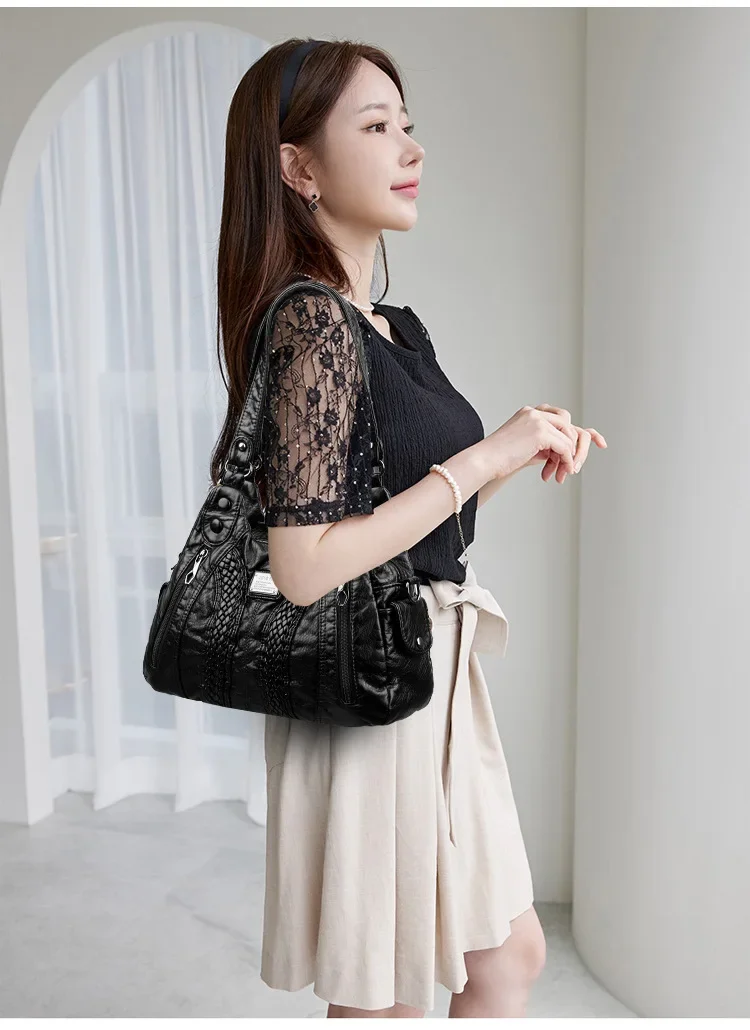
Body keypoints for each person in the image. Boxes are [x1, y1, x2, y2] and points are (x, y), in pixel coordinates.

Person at [210, 37, 607, 1019]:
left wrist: (512, 455)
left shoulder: (391, 327)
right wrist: (481, 455)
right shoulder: (308, 328)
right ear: (298, 167)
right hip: (364, 678)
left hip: (427, 666)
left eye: (408, 125)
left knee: (505, 953)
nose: (410, 148)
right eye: (377, 126)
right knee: (385, 994)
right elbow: (305, 568)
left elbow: (408, 523)